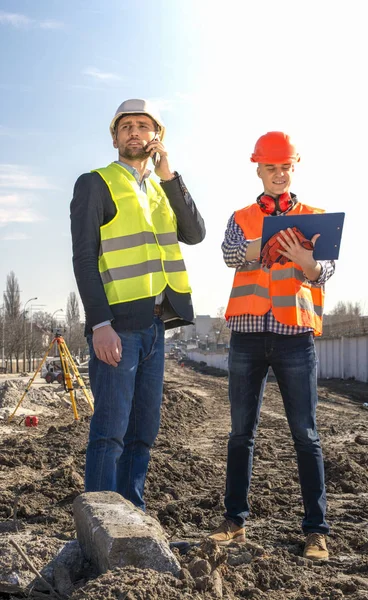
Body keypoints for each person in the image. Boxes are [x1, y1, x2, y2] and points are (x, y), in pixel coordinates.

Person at [70, 99, 205, 511]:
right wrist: (99, 324)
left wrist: (170, 176)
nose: (134, 132)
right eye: (126, 126)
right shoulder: (96, 183)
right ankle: (99, 524)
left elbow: (195, 233)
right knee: (110, 432)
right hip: (118, 327)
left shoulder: (162, 190)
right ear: (114, 137)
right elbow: (84, 257)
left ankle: (133, 519)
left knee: (143, 433)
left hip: (155, 327)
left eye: (144, 126)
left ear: (156, 137)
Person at [208, 131, 334, 561]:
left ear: (294, 166)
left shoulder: (315, 217)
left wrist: (306, 262)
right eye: (270, 168)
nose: (279, 174)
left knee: (306, 435)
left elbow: (325, 271)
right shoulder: (241, 216)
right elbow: (228, 254)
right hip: (246, 335)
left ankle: (316, 531)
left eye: (285, 167)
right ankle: (234, 521)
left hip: (295, 337)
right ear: (258, 169)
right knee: (241, 434)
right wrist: (260, 245)